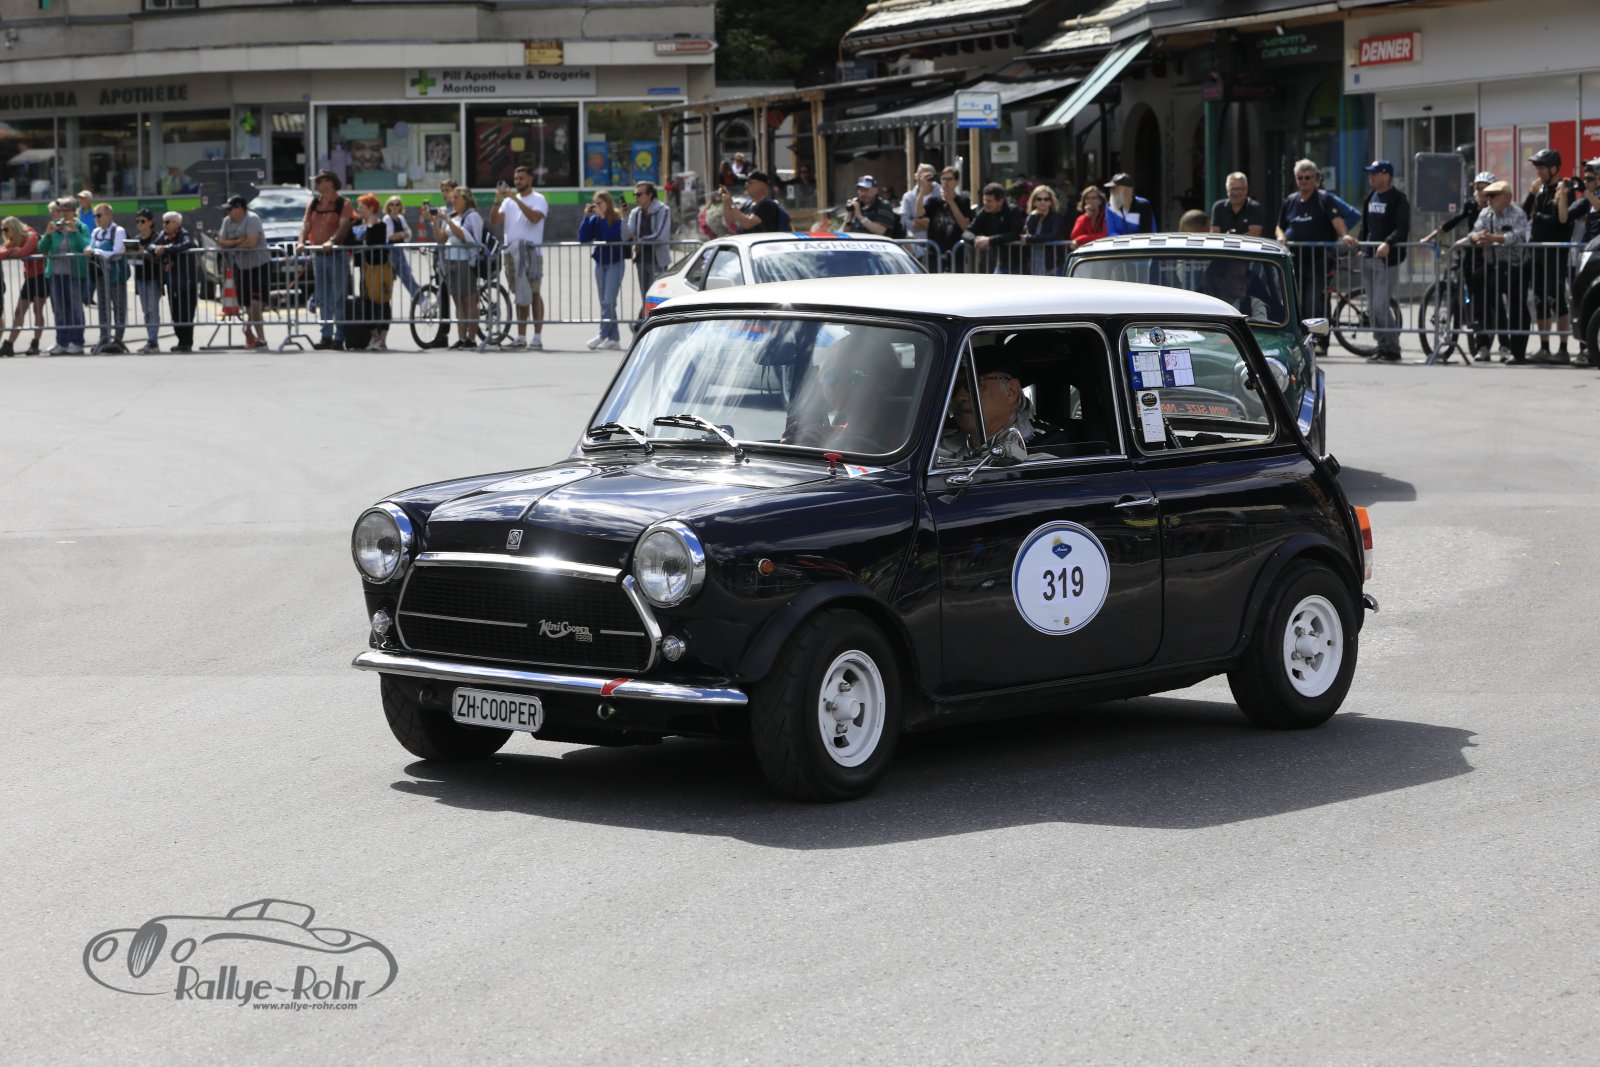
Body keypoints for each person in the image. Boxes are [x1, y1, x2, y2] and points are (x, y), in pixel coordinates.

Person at [939, 341, 1070, 461]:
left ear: (1011, 392)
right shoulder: (938, 442)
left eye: (973, 385)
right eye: (953, 387)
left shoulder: (1049, 443)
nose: (959, 396)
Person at [1342, 159, 1410, 363]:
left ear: (1386, 175)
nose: (1370, 177)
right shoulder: (1370, 197)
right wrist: (1359, 247)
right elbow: (1366, 226)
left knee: (1381, 305)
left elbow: (1402, 228)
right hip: (1368, 257)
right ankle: (1382, 346)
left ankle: (1393, 348)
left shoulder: (1398, 198)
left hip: (1387, 261)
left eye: (1374, 173)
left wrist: (1388, 243)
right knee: (1372, 308)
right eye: (1369, 173)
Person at [1423, 172, 1497, 360]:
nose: (1481, 192)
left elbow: (1482, 232)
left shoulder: (1493, 209)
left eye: (1485, 189)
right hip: (1470, 253)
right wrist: (1431, 237)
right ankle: (1463, 313)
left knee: (1481, 299)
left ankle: (1483, 342)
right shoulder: (1471, 206)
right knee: (1464, 287)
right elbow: (1453, 222)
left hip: (1487, 257)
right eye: (1478, 188)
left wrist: (1463, 242)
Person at [1276, 159, 1350, 338]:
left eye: (1307, 177)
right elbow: (1280, 226)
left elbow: (1337, 221)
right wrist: (1281, 237)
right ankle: (1301, 340)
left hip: (1319, 262)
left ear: (1315, 179)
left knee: (1315, 302)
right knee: (1296, 304)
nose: (1303, 181)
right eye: (1300, 178)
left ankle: (1320, 342)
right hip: (1295, 261)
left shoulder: (1324, 199)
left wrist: (1345, 235)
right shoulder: (1290, 201)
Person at [1464, 181, 1530, 363]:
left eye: (1493, 196)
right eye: (1488, 196)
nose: (1489, 199)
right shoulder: (1486, 214)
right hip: (1493, 265)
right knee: (1478, 282)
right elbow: (1473, 232)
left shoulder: (1517, 213)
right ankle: (1482, 342)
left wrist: (1496, 238)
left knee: (1517, 307)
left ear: (1507, 198)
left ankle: (1517, 351)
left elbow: (1519, 235)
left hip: (1516, 265)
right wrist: (1476, 237)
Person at [1522, 147, 1575, 362]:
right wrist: (1531, 194)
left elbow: (1559, 221)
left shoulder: (1565, 189)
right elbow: (1524, 214)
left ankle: (1563, 349)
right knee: (1539, 298)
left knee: (1557, 298)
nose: (1539, 171)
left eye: (1542, 167)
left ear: (1554, 168)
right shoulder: (1541, 190)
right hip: (1537, 252)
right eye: (1537, 167)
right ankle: (1544, 348)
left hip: (1555, 253)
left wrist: (1538, 217)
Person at [490, 164, 548, 350]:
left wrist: (515, 198)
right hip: (511, 253)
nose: (517, 182)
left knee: (534, 293)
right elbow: (494, 221)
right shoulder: (508, 202)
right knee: (519, 295)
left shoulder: (539, 199)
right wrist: (497, 200)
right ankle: (521, 336)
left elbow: (534, 218)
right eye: (515, 179)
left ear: (530, 179)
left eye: (521, 178)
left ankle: (537, 336)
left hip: (532, 254)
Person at [298, 169, 355, 350]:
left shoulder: (343, 203)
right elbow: (306, 224)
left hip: (337, 255)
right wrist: (301, 241)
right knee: (323, 297)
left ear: (330, 183)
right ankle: (326, 336)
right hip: (319, 255)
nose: (316, 184)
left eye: (319, 181)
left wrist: (332, 241)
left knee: (339, 297)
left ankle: (340, 336)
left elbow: (343, 226)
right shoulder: (314, 203)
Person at [215, 194, 269, 349]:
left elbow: (251, 243)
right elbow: (221, 242)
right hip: (241, 266)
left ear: (240, 208)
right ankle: (254, 334)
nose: (228, 212)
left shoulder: (252, 219)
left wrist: (232, 244)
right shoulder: (227, 221)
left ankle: (255, 332)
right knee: (247, 304)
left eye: (230, 209)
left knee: (256, 303)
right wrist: (239, 241)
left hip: (258, 265)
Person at [435, 184, 484, 349]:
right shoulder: (453, 216)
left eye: (456, 198)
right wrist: (435, 222)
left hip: (465, 262)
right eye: (452, 198)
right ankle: (462, 338)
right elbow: (441, 239)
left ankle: (471, 339)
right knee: (458, 302)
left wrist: (448, 220)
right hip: (451, 261)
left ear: (466, 199)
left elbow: (468, 238)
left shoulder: (472, 216)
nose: (453, 200)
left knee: (469, 301)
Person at [39, 197, 89, 355]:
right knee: (60, 309)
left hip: (75, 273)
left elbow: (86, 246)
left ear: (74, 211)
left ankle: (77, 342)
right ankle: (62, 342)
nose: (64, 213)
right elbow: (42, 249)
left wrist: (75, 232)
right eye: (61, 210)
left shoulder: (81, 227)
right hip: (56, 274)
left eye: (67, 210)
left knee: (75, 308)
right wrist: (47, 234)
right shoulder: (55, 226)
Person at [578, 189, 625, 350]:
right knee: (605, 303)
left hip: (615, 262)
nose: (597, 206)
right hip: (600, 263)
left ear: (607, 203)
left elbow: (612, 235)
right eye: (595, 203)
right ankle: (614, 338)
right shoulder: (595, 219)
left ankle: (602, 335)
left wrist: (603, 217)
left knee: (608, 301)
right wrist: (586, 218)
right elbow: (583, 238)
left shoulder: (616, 217)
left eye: (600, 203)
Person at [625, 180, 673, 332]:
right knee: (645, 295)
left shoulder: (663, 210)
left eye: (639, 194)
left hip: (657, 259)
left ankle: (644, 325)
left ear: (650, 195)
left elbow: (660, 235)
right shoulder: (635, 213)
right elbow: (626, 234)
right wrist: (624, 217)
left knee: (656, 295)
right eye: (635, 194)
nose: (636, 197)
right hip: (641, 259)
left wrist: (640, 241)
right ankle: (644, 324)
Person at [350, 194, 395, 351]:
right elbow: (351, 241)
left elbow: (371, 242)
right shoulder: (357, 223)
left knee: (383, 302)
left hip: (380, 268)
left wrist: (369, 225)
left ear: (371, 209)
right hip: (365, 268)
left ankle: (382, 339)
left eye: (361, 207)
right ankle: (374, 336)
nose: (358, 210)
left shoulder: (380, 225)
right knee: (366, 302)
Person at [150, 210, 198, 353]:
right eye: (163, 222)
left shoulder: (183, 233)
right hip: (172, 281)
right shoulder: (163, 235)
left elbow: (188, 244)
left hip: (186, 281)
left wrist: (166, 249)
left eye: (167, 222)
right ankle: (180, 341)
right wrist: (156, 248)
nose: (164, 225)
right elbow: (151, 246)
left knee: (186, 313)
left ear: (177, 223)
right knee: (175, 314)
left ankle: (186, 342)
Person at [1, 216, 48, 357]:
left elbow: (23, 252)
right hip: (29, 278)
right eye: (2, 229)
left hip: (41, 276)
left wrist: (11, 252)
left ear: (14, 228)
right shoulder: (13, 241)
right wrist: (10, 251)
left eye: (6, 229)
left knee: (37, 310)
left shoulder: (31, 236)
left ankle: (35, 343)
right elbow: (2, 252)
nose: (4, 232)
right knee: (19, 311)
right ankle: (9, 344)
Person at [87, 203, 129, 354]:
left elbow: (117, 251)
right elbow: (90, 247)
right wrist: (89, 250)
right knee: (103, 309)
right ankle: (104, 338)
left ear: (109, 215)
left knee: (119, 307)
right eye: (95, 216)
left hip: (116, 276)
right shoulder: (96, 232)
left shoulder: (118, 231)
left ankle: (118, 339)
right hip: (100, 276)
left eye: (99, 215)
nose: (96, 218)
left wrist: (97, 252)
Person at [918, 166, 973, 272]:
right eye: (943, 179)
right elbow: (919, 214)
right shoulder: (933, 201)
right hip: (935, 252)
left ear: (957, 182)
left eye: (949, 179)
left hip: (956, 252)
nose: (946, 182)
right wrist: (922, 191)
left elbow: (965, 226)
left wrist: (951, 202)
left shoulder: (963, 201)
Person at [129, 208, 163, 354]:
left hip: (153, 278)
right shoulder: (136, 239)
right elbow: (132, 260)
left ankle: (153, 341)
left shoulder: (157, 238)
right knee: (146, 311)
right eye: (137, 221)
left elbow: (158, 258)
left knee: (152, 310)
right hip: (140, 278)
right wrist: (130, 253)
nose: (139, 224)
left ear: (150, 222)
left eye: (142, 221)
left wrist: (146, 254)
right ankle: (151, 339)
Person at [968, 183, 1023, 273]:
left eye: (989, 201)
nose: (986, 204)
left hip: (1019, 263)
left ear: (1000, 201)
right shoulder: (984, 213)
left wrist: (989, 240)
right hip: (999, 263)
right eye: (984, 200)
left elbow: (1015, 234)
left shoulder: (1013, 211)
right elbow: (968, 232)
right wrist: (975, 241)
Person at [719, 170, 789, 234]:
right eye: (746, 182)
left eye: (750, 182)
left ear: (762, 185)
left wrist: (731, 204)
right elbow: (729, 220)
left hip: (760, 243)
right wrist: (726, 202)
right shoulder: (748, 204)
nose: (746, 185)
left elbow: (747, 223)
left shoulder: (767, 204)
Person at [1021, 184, 1068, 275]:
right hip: (1034, 261)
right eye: (1039, 199)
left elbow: (1053, 235)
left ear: (1050, 202)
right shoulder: (1032, 217)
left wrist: (1030, 239)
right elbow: (1025, 234)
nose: (1043, 202)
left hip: (1053, 263)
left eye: (1046, 199)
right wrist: (1032, 218)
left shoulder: (1056, 217)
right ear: (1034, 202)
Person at [382, 195, 422, 301]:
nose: (395, 207)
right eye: (392, 204)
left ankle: (421, 298)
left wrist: (401, 234)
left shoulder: (401, 218)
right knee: (389, 281)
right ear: (388, 206)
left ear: (400, 206)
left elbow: (409, 233)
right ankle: (421, 298)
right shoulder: (387, 218)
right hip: (390, 253)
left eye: (397, 204)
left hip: (399, 251)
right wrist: (403, 234)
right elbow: (391, 236)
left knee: (407, 276)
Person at [1203, 260, 1269, 320]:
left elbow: (1261, 321)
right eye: (1238, 276)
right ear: (1219, 281)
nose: (1246, 281)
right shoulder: (1203, 305)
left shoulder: (1254, 305)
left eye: (1246, 275)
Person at [901, 164, 937, 242]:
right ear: (915, 176)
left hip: (937, 241)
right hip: (916, 241)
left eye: (927, 175)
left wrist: (918, 221)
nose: (923, 178)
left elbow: (941, 222)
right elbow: (904, 221)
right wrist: (926, 225)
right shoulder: (908, 197)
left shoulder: (941, 193)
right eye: (920, 175)